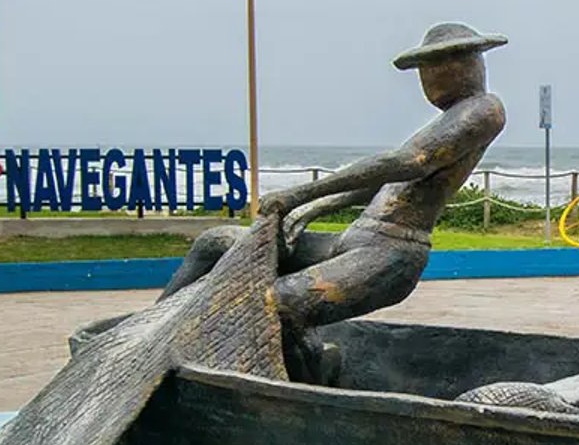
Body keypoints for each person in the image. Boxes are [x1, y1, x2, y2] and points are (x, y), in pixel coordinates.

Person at [165, 22, 508, 377]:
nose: (430, 75)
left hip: (389, 255)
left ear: (471, 63)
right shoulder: (448, 120)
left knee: (270, 307)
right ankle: (147, 340)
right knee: (216, 244)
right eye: (425, 67)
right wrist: (312, 208)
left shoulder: (482, 109)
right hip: (352, 242)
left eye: (438, 64)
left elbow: (407, 162)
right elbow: (386, 179)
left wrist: (300, 192)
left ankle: (301, 387)